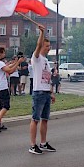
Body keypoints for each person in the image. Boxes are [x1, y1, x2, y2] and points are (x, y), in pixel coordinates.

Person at [28, 25, 56, 155]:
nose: (48, 47)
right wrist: (42, 32)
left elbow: (48, 78)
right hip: (38, 92)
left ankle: (43, 143)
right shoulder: (37, 58)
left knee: (45, 119)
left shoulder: (46, 60)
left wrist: (51, 92)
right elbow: (38, 45)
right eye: (47, 46)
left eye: (49, 46)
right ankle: (32, 145)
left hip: (45, 92)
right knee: (35, 119)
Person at [0, 47, 24, 132]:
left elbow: (8, 66)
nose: (5, 54)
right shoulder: (0, 63)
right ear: (1, 53)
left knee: (0, 106)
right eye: (4, 53)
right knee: (6, 106)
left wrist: (16, 62)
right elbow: (10, 71)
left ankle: (0, 123)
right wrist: (18, 63)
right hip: (2, 87)